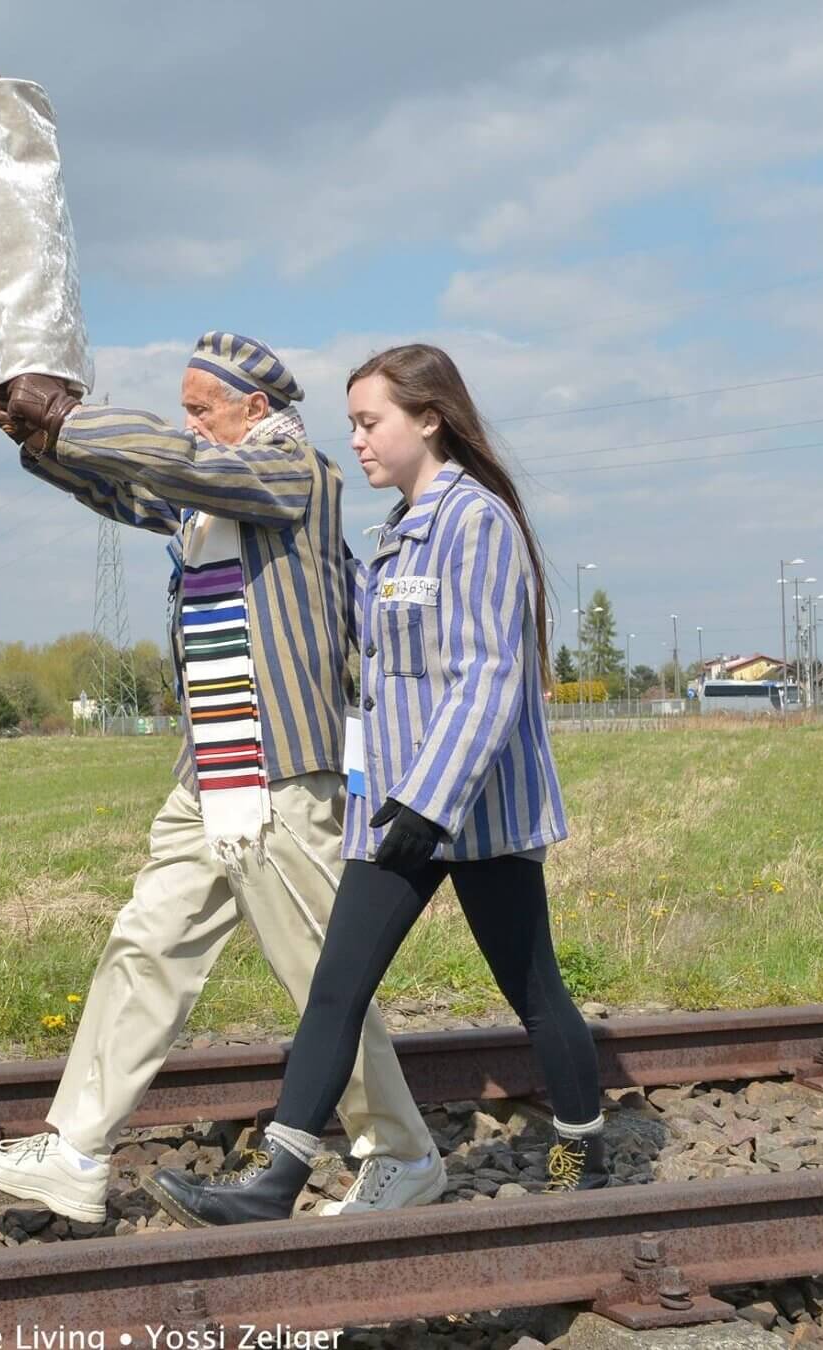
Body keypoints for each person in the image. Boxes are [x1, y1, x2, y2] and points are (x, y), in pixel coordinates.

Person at [0, 333, 443, 1224]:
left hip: (282, 773)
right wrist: (38, 439)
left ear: (255, 410)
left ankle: (403, 1153)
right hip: (210, 773)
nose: (188, 424)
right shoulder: (208, 490)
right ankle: (75, 1150)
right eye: (182, 409)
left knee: (320, 979)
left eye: (200, 407)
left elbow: (174, 462)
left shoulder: (295, 471)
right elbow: (134, 485)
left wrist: (73, 415)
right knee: (146, 946)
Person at [145, 343, 607, 1228]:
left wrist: (428, 801)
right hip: (393, 809)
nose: (354, 439)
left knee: (534, 992)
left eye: (370, 422)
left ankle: (579, 1150)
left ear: (427, 418)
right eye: (351, 423)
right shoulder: (391, 534)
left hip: (474, 814)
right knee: (336, 985)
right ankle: (275, 1183)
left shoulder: (476, 522)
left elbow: (489, 676)